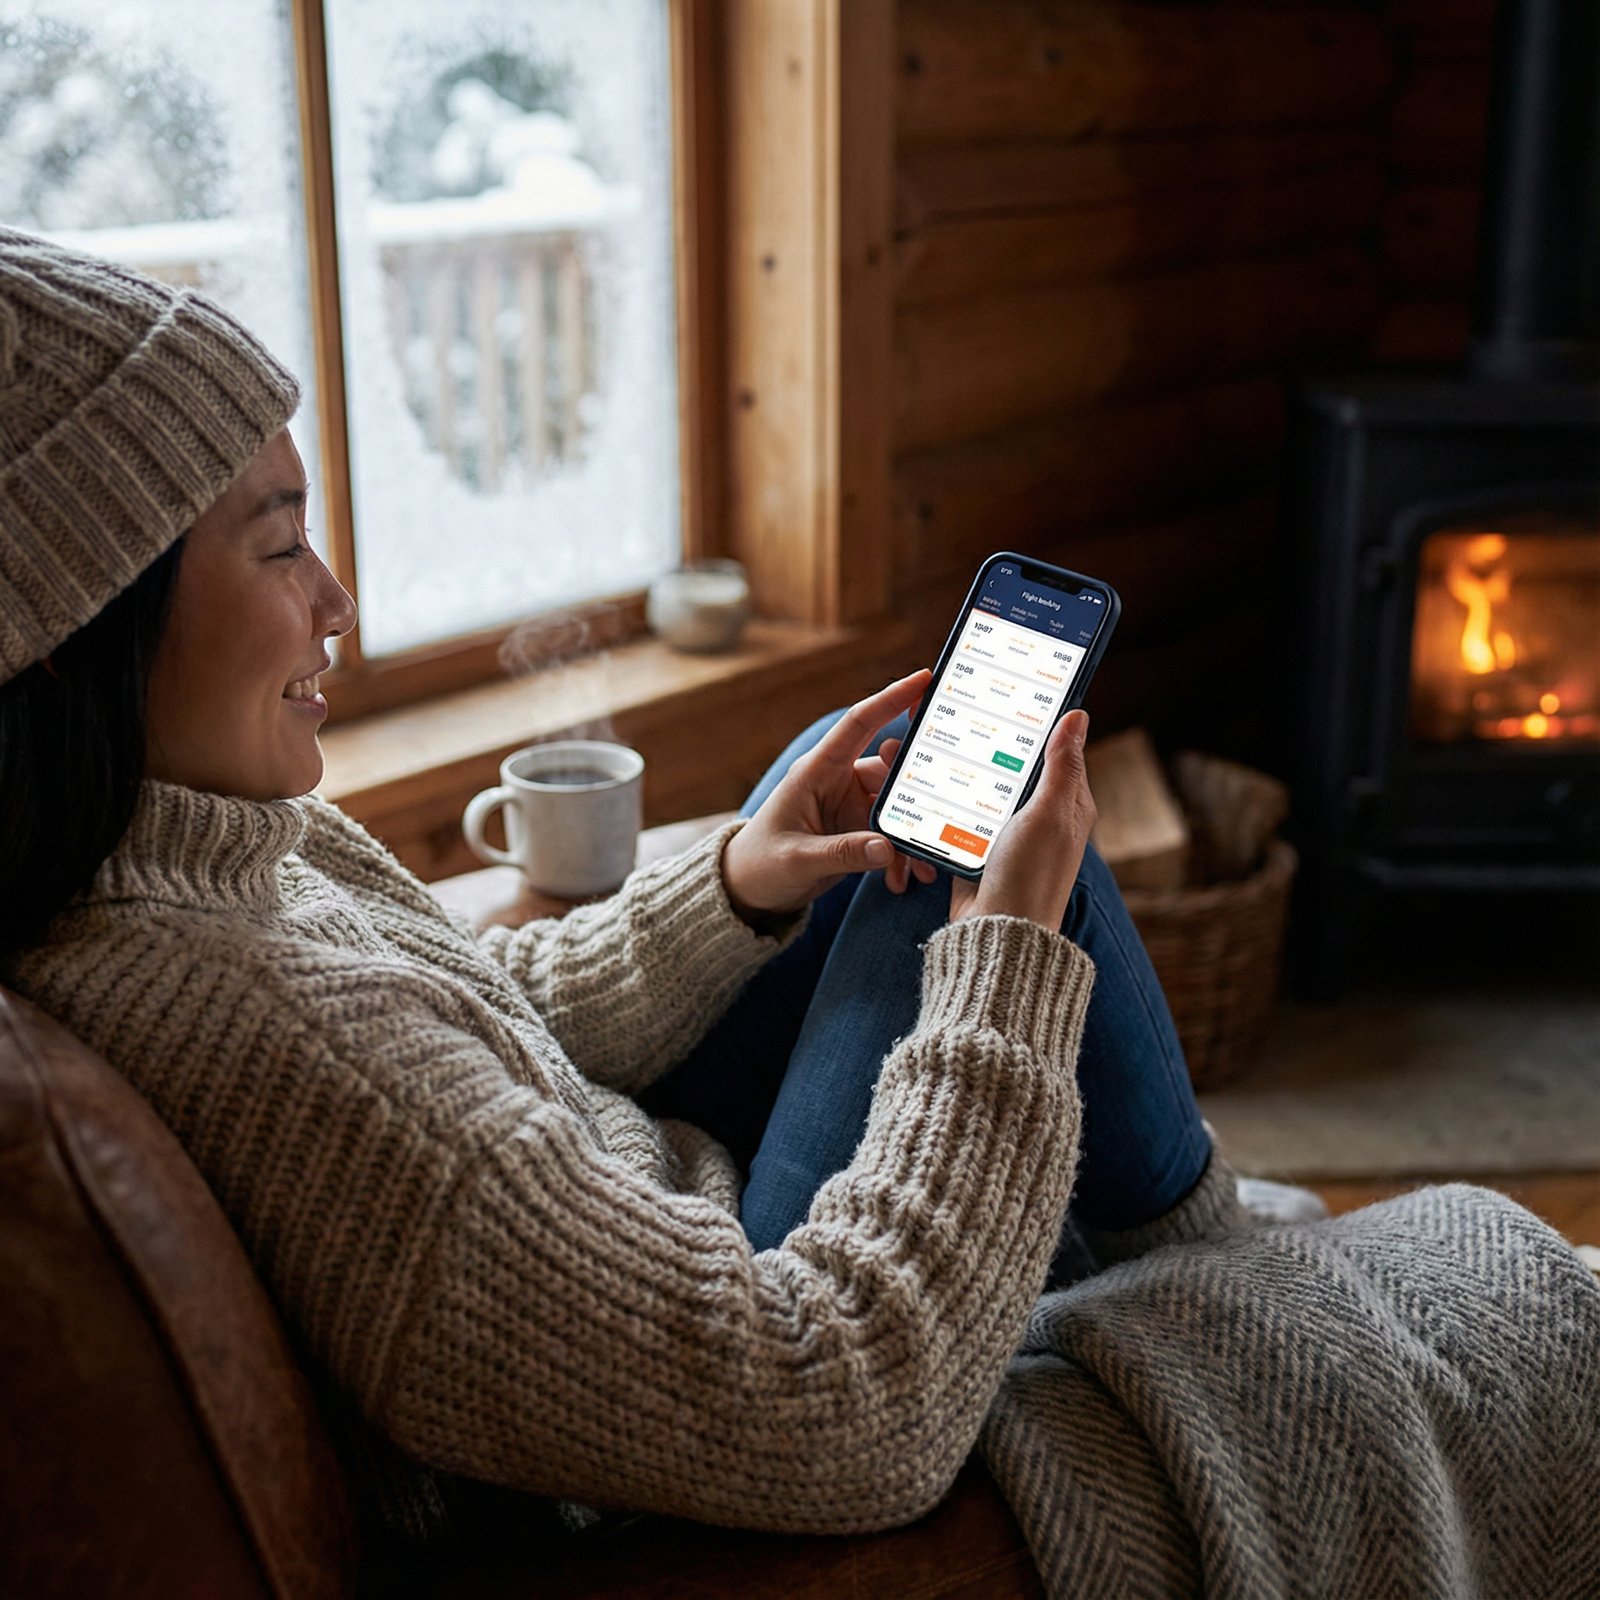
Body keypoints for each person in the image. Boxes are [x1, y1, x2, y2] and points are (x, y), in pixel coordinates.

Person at [0, 230, 1250, 1557]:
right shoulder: (275, 1045)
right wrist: (1001, 974)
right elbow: (837, 1408)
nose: (337, 601)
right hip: (752, 1312)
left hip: (645, 1194)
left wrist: (732, 891)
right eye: (279, 548)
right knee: (966, 845)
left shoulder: (203, 843)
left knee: (861, 783)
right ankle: (1223, 1277)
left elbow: (473, 1017)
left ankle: (1180, 1234)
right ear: (89, 631)